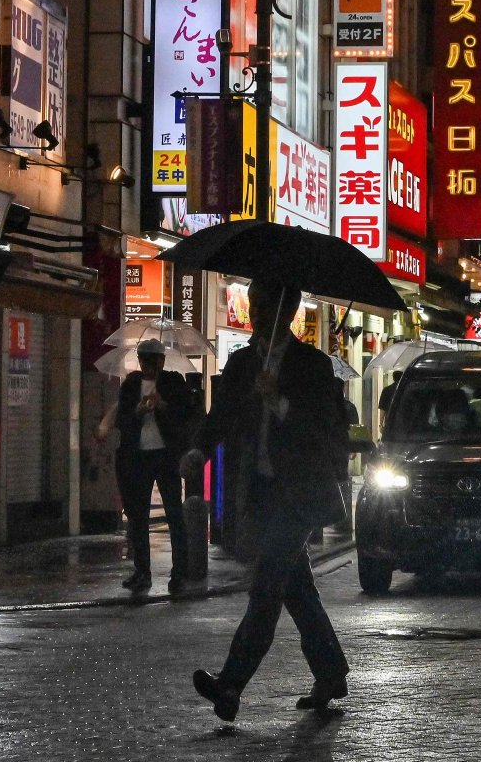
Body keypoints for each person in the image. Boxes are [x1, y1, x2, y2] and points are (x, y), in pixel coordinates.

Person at [180, 278, 350, 721]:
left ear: (289, 309)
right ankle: (331, 672)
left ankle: (231, 685)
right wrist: (199, 449)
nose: (257, 312)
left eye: (267, 304)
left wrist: (279, 402)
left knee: (268, 586)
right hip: (261, 492)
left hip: (300, 495)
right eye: (254, 303)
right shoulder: (240, 365)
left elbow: (323, 428)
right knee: (297, 588)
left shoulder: (312, 366)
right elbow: (221, 416)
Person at [94, 337, 197, 595]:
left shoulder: (173, 383)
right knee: (138, 517)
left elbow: (187, 415)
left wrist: (163, 406)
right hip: (137, 458)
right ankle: (142, 572)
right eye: (144, 360)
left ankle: (179, 573)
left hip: (166, 457)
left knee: (175, 515)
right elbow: (122, 422)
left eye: (154, 360)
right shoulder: (131, 385)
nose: (149, 365)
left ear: (162, 361)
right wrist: (139, 413)